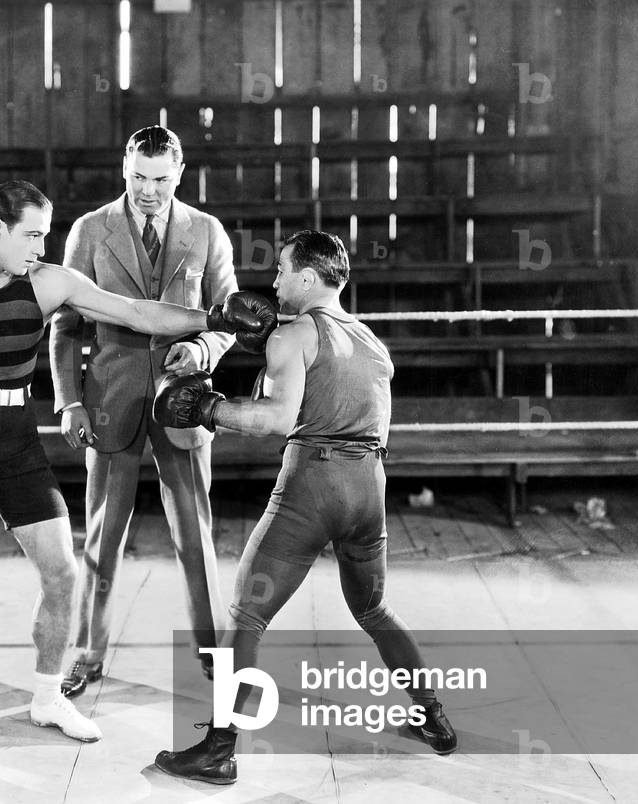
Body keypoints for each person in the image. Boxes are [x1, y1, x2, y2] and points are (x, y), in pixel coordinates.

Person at [0, 179, 273, 746]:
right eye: (32, 235)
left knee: (62, 572)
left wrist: (213, 318)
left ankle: (46, 696)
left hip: (14, 439)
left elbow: (136, 312)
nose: (42, 246)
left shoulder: (46, 282)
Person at [149, 231, 458, 785]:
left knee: (247, 614)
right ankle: (433, 717)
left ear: (308, 277)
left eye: (283, 270)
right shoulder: (371, 341)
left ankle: (219, 749)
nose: (274, 281)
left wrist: (209, 408)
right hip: (369, 488)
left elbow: (276, 419)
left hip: (314, 482)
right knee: (374, 609)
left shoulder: (294, 335)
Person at [50, 127, 273, 697]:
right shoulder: (89, 230)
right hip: (109, 400)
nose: (148, 190)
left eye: (160, 179)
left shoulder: (207, 230)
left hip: (185, 399)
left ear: (180, 174)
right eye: (138, 177)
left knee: (195, 536)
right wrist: (69, 400)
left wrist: (202, 350)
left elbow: (228, 319)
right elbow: (65, 325)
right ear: (124, 169)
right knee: (102, 537)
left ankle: (214, 655)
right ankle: (86, 654)